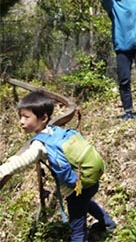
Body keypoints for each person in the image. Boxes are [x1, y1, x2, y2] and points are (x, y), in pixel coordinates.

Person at [0, 92, 116, 242]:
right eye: (20, 116)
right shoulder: (56, 131)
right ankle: (108, 224)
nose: (21, 122)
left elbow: (21, 162)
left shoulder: (40, 145)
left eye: (26, 117)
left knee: (77, 226)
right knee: (86, 202)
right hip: (89, 179)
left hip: (76, 188)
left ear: (43, 118)